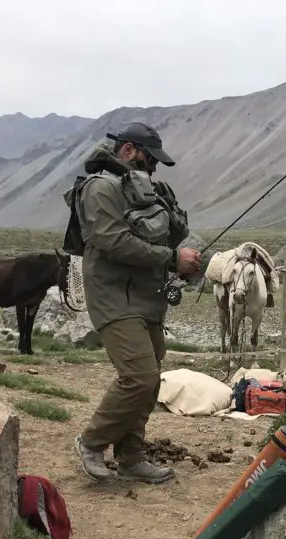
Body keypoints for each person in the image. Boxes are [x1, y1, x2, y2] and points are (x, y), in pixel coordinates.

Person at [69, 122, 201, 484]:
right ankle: (91, 442)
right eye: (149, 157)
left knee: (150, 380)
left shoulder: (144, 190)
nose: (153, 167)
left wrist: (178, 263)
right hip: (114, 299)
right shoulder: (99, 188)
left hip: (146, 298)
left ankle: (131, 458)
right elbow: (112, 241)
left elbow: (153, 243)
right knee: (139, 377)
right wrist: (172, 259)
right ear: (127, 150)